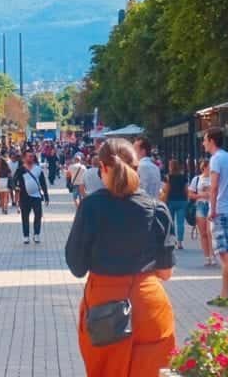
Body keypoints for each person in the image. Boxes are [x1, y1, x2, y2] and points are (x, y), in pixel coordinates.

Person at [66, 138, 176, 376]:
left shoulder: (90, 207)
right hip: (149, 307)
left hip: (104, 308)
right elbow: (166, 273)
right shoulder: (157, 209)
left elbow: (76, 266)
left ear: (104, 168)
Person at [204, 127, 228, 306]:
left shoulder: (215, 160)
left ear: (212, 140)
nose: (203, 143)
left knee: (225, 255)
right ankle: (225, 294)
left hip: (220, 209)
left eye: (205, 140)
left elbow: (214, 187)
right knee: (226, 253)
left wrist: (212, 209)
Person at [13, 149, 49, 244]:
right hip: (24, 197)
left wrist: (46, 196)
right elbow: (13, 181)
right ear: (24, 158)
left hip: (36, 196)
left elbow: (43, 183)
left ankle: (36, 234)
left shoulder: (38, 169)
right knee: (25, 217)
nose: (31, 158)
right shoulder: (21, 169)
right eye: (29, 156)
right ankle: (26, 236)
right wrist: (16, 187)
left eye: (32, 156)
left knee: (38, 215)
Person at [188, 161, 213, 266]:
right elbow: (190, 194)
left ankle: (213, 255)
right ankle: (207, 257)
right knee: (203, 233)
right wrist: (200, 195)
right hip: (200, 205)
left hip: (212, 205)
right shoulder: (197, 179)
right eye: (209, 167)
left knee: (210, 232)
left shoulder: (215, 178)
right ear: (204, 168)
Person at [161, 160, 188, 250]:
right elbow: (186, 189)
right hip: (181, 200)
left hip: (170, 200)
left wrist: (164, 199)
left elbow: (166, 189)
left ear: (170, 166)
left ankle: (172, 241)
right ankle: (180, 242)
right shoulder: (183, 177)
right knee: (180, 223)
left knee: (170, 222)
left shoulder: (168, 177)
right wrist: (187, 199)